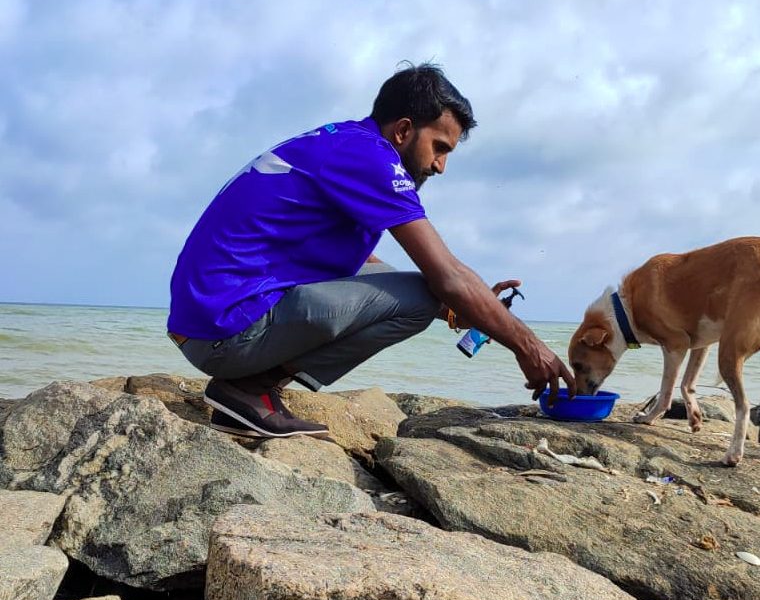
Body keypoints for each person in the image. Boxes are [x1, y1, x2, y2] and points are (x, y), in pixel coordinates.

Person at [167, 62, 575, 437]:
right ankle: (248, 390)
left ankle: (245, 390)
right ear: (402, 131)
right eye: (439, 147)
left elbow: (362, 266)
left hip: (213, 321)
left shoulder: (345, 142)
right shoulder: (371, 160)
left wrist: (464, 307)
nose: (440, 166)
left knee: (426, 292)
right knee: (425, 292)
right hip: (224, 333)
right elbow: (446, 275)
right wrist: (529, 347)